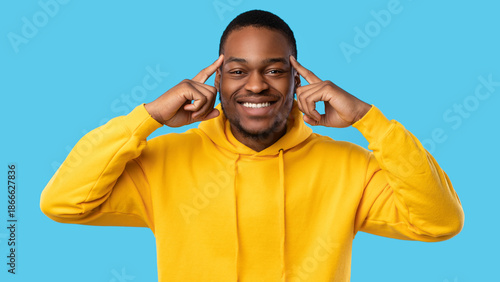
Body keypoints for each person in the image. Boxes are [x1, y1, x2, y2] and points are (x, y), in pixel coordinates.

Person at [40, 9, 464, 282]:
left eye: (275, 70)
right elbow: (63, 202)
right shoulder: (163, 162)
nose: (256, 85)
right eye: (238, 71)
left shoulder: (351, 167)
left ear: (299, 81)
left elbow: (440, 221)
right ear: (216, 82)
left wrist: (368, 120)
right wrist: (147, 117)